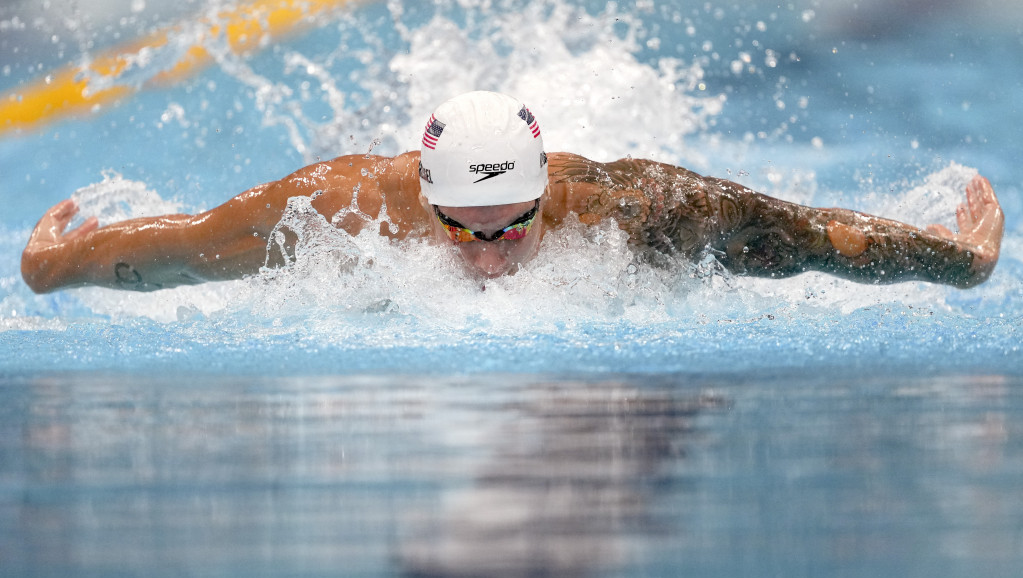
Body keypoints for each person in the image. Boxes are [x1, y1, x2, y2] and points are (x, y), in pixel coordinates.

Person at [21, 91, 1003, 294]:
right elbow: (184, 247)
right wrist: (51, 266)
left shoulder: (622, 207)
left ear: (547, 195)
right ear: (423, 195)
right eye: (464, 230)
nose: (491, 258)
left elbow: (814, 236)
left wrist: (956, 263)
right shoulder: (347, 206)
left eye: (512, 228)